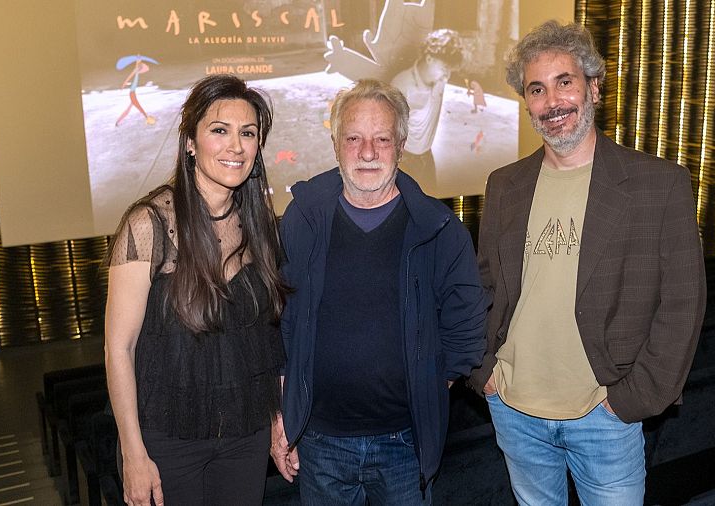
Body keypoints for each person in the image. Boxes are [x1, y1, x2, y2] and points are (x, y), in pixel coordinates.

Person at [469, 21, 706, 505]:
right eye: (537, 89)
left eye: (564, 82)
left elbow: (683, 304)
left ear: (594, 87)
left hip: (605, 413)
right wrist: (484, 373)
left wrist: (629, 401)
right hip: (514, 408)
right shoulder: (504, 185)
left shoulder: (658, 185)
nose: (552, 101)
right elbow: (484, 288)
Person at [271, 79, 487, 505]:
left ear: (401, 145)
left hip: (405, 445)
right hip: (319, 443)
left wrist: (430, 387)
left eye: (381, 139)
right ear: (335, 144)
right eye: (353, 138)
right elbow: (279, 322)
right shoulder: (302, 219)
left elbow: (465, 325)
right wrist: (283, 417)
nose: (367, 153)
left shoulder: (439, 228)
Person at [105, 74, 288, 506]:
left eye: (248, 134)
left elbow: (266, 338)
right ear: (190, 141)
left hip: (245, 433)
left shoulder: (260, 224)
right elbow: (119, 348)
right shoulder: (147, 226)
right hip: (167, 437)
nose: (236, 146)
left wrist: (278, 419)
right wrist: (133, 452)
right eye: (219, 131)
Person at [390, 29, 464, 189]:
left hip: (426, 156)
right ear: (429, 58)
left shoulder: (439, 80)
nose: (446, 77)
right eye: (445, 69)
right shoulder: (402, 86)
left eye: (450, 71)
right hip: (405, 160)